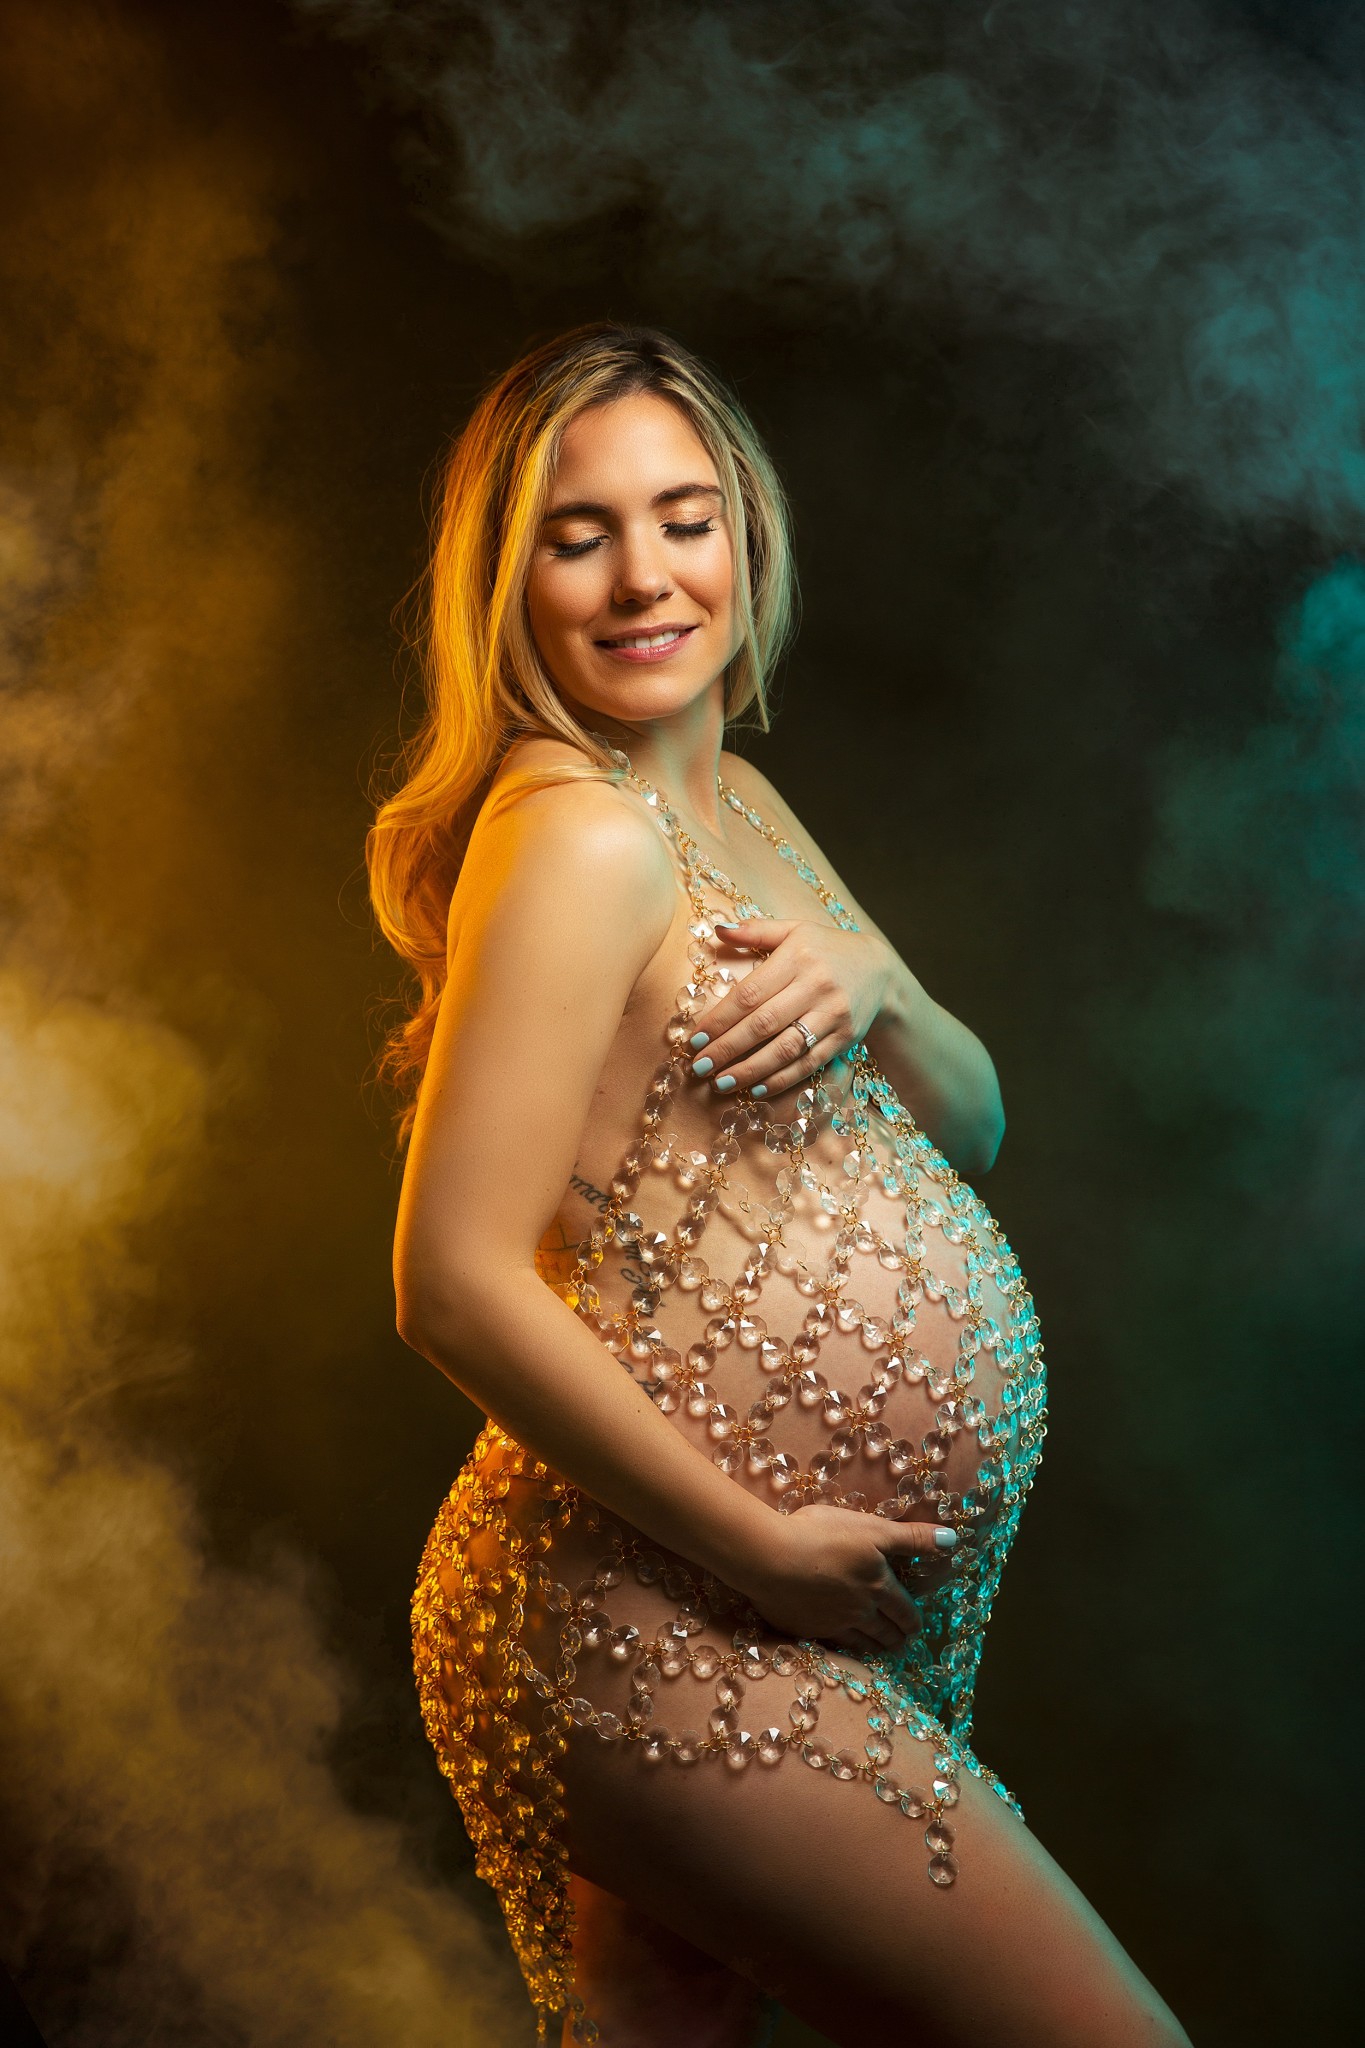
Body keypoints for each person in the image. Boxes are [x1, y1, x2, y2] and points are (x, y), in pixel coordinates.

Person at [369, 324, 1189, 2048]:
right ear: (502, 577)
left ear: (746, 533)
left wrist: (874, 978)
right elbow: (450, 1278)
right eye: (575, 533)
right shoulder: (576, 834)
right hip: (658, 1610)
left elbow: (965, 1126)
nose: (642, 576)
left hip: (799, 1607)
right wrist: (764, 1551)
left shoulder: (735, 797)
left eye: (682, 517)